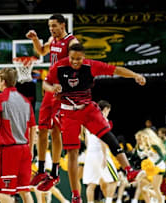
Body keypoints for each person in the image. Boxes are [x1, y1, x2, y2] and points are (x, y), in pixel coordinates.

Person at [43, 43, 146, 202]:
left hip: (87, 108)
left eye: (78, 59)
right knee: (72, 154)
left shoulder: (91, 65)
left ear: (83, 57)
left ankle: (129, 170)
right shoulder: (59, 66)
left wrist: (135, 75)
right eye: (72, 58)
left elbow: (116, 70)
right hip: (68, 112)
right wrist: (52, 88)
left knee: (108, 134)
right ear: (68, 56)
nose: (75, 62)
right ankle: (76, 195)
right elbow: (45, 83)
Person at [26, 13, 79, 191]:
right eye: (49, 26)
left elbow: (78, 65)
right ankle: (41, 170)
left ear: (63, 25)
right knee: (42, 129)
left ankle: (54, 174)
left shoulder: (72, 42)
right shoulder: (53, 40)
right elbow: (41, 51)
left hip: (62, 92)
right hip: (50, 89)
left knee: (56, 131)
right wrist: (35, 40)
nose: (51, 29)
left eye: (54, 26)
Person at [0, 68, 37, 203]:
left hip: (9, 150)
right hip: (25, 149)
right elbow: (33, 128)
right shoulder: (26, 101)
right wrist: (31, 149)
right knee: (25, 191)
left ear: (3, 81)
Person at [83, 100, 119, 203]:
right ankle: (108, 201)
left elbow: (86, 140)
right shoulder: (103, 120)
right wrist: (104, 156)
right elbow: (103, 139)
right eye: (108, 110)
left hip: (89, 154)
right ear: (105, 109)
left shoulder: (88, 120)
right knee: (114, 180)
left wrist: (89, 151)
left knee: (91, 184)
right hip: (100, 153)